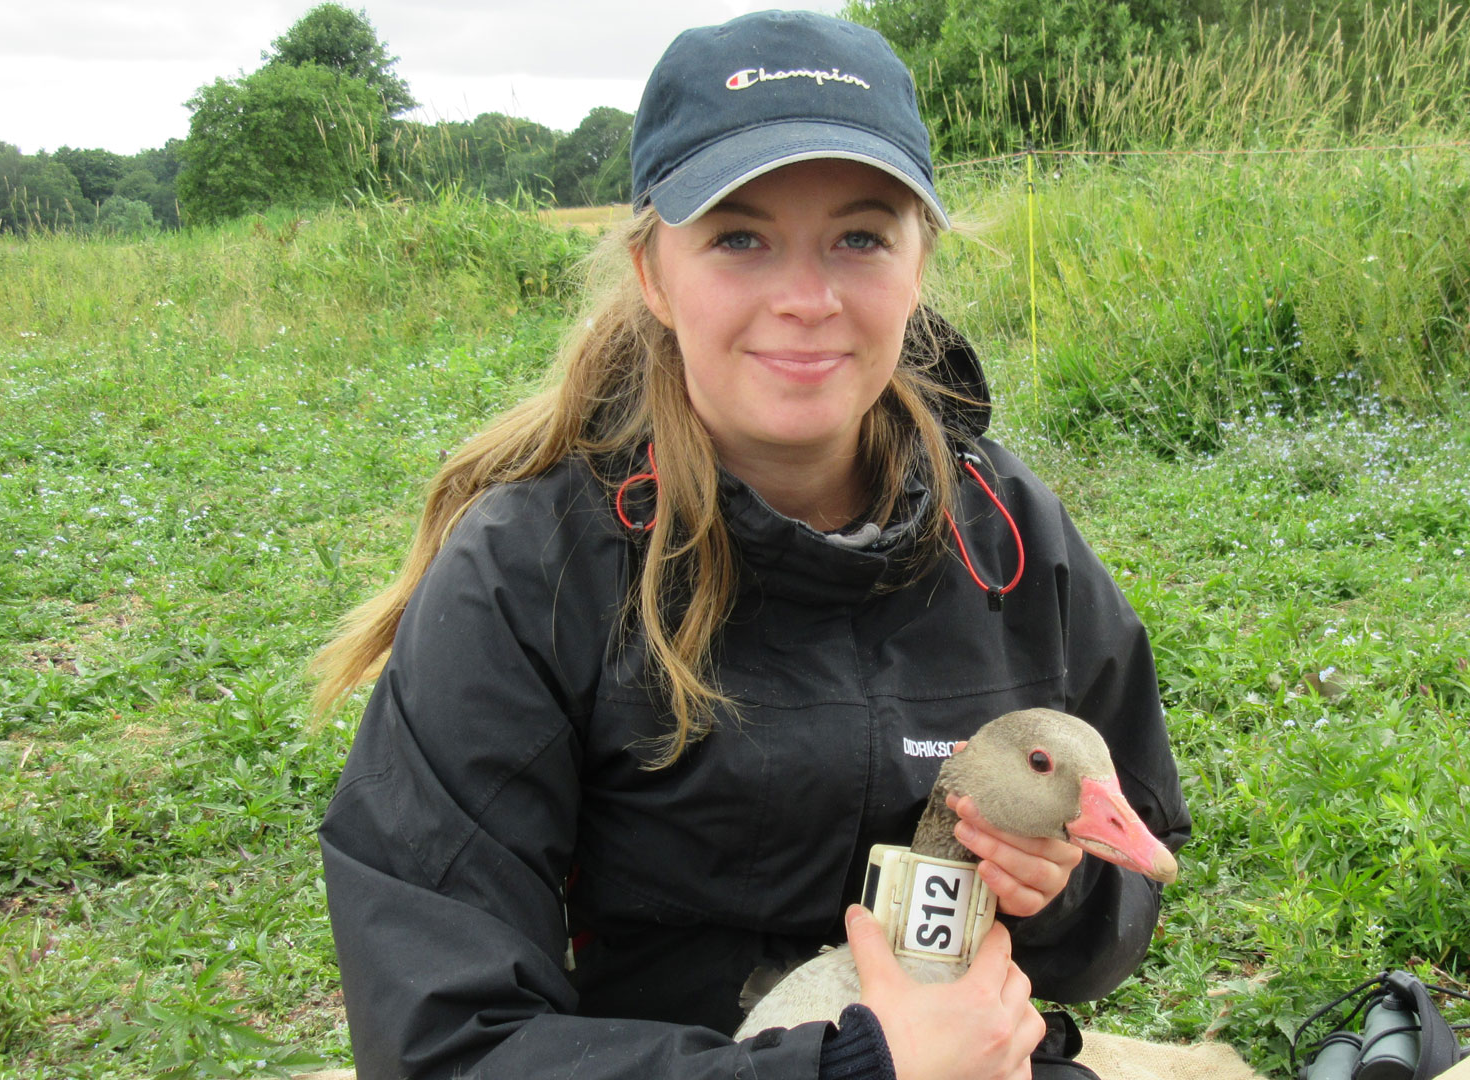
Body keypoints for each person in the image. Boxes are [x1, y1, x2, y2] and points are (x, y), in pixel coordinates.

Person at [313, 10, 1191, 1080]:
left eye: (861, 237)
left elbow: (1133, 872)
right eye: (738, 237)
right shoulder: (524, 572)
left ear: (920, 262)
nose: (807, 301)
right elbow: (440, 1044)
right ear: (651, 271)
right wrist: (858, 1068)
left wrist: (1068, 897)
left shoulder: (1012, 535)